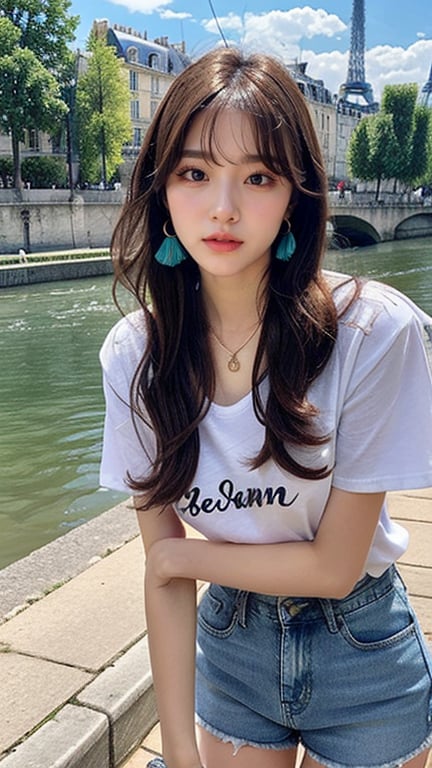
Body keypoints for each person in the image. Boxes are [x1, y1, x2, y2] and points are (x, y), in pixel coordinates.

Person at [99, 47, 432, 768]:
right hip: (230, 643)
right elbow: (165, 579)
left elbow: (335, 567)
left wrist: (179, 554)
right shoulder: (133, 356)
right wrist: (179, 752)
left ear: (295, 195)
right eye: (194, 173)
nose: (223, 208)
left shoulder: (374, 333)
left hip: (362, 648)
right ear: (161, 189)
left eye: (257, 177)